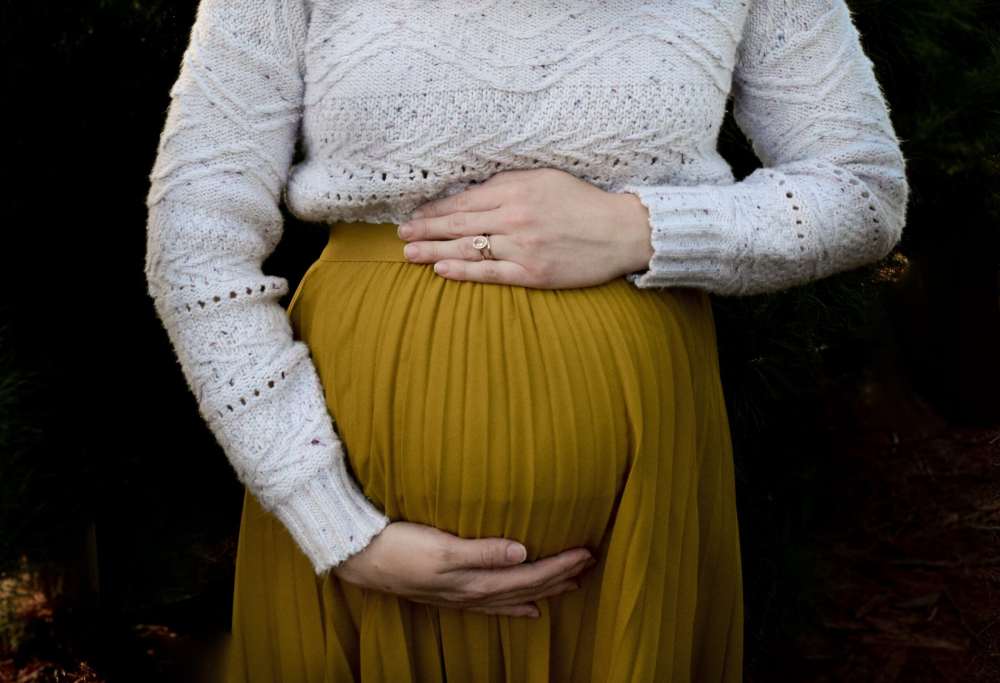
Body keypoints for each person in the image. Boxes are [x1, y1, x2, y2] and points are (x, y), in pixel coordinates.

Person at [143, 0, 909, 680]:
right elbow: (196, 238)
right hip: (351, 530)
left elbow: (860, 186)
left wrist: (641, 227)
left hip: (635, 527)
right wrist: (334, 524)